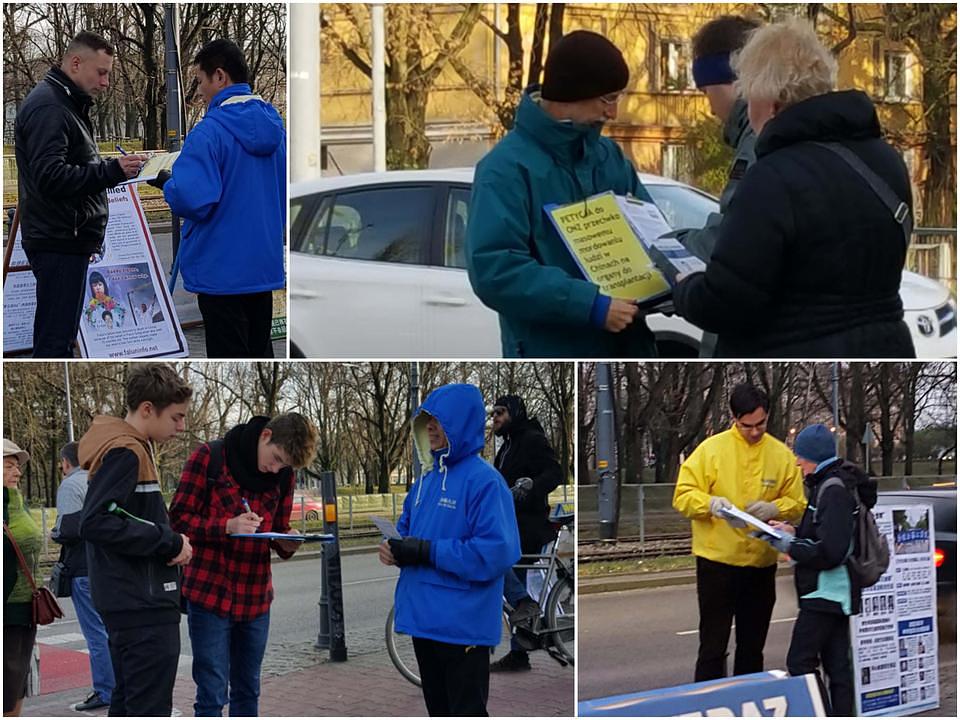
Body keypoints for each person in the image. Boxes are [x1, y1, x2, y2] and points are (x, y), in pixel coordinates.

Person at [672, 19, 916, 358]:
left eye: (749, 92)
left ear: (770, 98)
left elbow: (727, 301)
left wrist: (685, 290)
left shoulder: (772, 177)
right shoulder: (886, 161)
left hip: (790, 348)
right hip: (887, 347)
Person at [466, 30, 658, 358]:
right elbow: (494, 269)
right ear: (573, 93)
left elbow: (649, 230)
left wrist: (671, 281)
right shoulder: (504, 169)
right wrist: (590, 305)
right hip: (553, 350)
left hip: (626, 345)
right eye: (608, 99)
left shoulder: (607, 155)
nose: (614, 112)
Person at [380, 384, 521, 716]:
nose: (429, 427)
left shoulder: (485, 482)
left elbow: (496, 553)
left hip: (462, 626)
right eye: (425, 420)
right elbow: (407, 530)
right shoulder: (426, 480)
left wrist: (426, 551)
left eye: (438, 421)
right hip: (424, 621)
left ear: (461, 424)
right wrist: (394, 548)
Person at [168, 413, 319, 717]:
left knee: (248, 690)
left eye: (283, 466)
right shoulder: (210, 457)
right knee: (211, 693)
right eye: (275, 458)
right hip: (210, 595)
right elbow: (178, 521)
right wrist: (227, 526)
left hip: (255, 598)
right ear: (266, 435)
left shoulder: (283, 476)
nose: (274, 469)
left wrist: (287, 539)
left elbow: (277, 527)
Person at [14, 32, 146, 357]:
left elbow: (66, 165)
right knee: (55, 344)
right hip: (59, 239)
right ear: (76, 63)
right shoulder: (51, 107)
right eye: (101, 72)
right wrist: (112, 171)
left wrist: (107, 168)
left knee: (59, 339)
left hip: (63, 237)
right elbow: (51, 177)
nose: (105, 83)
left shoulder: (62, 103)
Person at [151, 39, 285, 358]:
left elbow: (192, 198)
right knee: (258, 351)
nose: (200, 91)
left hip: (220, 271)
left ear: (220, 76)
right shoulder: (276, 130)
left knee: (228, 350)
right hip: (262, 267)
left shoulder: (209, 132)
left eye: (200, 81)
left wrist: (168, 184)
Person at [78, 364, 194, 716]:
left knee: (130, 704)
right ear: (147, 409)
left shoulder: (127, 447)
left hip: (131, 599)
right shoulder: (126, 451)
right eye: (176, 417)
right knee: (148, 707)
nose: (182, 426)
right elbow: (95, 522)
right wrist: (169, 542)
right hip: (143, 604)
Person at [672, 383, 805, 681]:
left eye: (761, 424)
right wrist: (711, 504)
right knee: (712, 647)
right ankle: (707, 704)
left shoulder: (781, 455)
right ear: (734, 418)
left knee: (752, 647)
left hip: (760, 566)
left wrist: (775, 508)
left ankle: (747, 703)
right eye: (747, 426)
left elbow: (797, 503)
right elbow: (682, 495)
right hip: (716, 564)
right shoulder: (711, 450)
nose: (755, 431)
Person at [763, 423, 875, 716]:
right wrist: (794, 530)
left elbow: (831, 551)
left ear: (812, 457)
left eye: (799, 456)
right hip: (833, 593)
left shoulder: (832, 489)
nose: (797, 462)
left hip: (826, 591)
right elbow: (823, 533)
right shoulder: (831, 483)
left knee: (800, 662)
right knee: (838, 667)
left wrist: (789, 544)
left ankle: (820, 713)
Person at [673, 15, 759, 358]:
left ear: (731, 81)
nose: (708, 106)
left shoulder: (759, 141)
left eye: (706, 90)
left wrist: (670, 248)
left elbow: (728, 239)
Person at [489, 395, 564, 672]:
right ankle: (520, 649)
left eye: (501, 412)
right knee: (507, 579)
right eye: (494, 412)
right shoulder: (506, 446)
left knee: (502, 571)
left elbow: (556, 472)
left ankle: (524, 625)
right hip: (509, 524)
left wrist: (532, 484)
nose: (495, 417)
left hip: (526, 525)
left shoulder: (531, 438)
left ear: (516, 413)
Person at [51, 442, 114, 712]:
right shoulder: (101, 479)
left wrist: (54, 533)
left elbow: (70, 528)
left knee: (95, 633)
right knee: (111, 629)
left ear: (66, 463)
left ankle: (105, 690)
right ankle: (118, 685)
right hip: (108, 566)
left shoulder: (70, 484)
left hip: (82, 568)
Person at [3, 439, 42, 717]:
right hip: (8, 609)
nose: (17, 473)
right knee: (8, 682)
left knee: (17, 682)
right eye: (8, 466)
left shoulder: (17, 501)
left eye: (17, 467)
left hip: (25, 607)